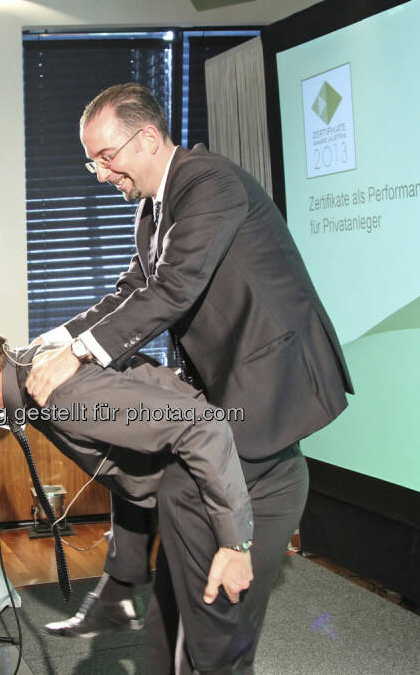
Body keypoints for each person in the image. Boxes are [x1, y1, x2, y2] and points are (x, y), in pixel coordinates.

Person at [25, 83, 354, 669]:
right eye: (92, 161)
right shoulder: (152, 207)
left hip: (271, 376)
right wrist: (57, 339)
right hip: (226, 381)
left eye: (106, 157)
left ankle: (183, 615)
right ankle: (142, 598)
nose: (100, 174)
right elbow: (131, 292)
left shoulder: (209, 182)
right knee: (176, 497)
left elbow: (172, 291)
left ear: (147, 138)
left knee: (195, 508)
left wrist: (78, 357)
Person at [0, 310, 258, 674]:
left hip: (223, 478)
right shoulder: (31, 376)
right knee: (165, 634)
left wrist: (234, 543)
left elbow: (204, 426)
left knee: (210, 650)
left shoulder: (61, 391)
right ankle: (117, 599)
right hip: (188, 482)